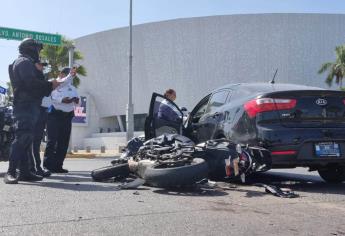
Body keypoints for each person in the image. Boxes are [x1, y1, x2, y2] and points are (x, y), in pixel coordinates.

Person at [4, 38, 61, 184]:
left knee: (27, 139)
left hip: (30, 105)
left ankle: (25, 172)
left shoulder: (27, 62)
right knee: (22, 137)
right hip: (24, 105)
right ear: (30, 48)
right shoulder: (24, 62)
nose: (39, 52)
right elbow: (30, 83)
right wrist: (50, 85)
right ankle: (10, 172)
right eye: (37, 49)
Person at [43, 67, 78, 173]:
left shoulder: (72, 88)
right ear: (62, 74)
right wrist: (62, 100)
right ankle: (47, 166)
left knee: (63, 142)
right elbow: (53, 97)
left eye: (72, 76)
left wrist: (76, 100)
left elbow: (78, 102)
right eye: (68, 75)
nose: (70, 78)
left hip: (67, 116)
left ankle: (58, 166)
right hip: (54, 115)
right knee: (52, 141)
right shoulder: (54, 83)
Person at [30, 62, 52, 177]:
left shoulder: (42, 78)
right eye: (40, 65)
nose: (42, 67)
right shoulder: (30, 76)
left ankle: (37, 167)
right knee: (30, 141)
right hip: (33, 111)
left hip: (42, 112)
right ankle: (32, 168)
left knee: (37, 142)